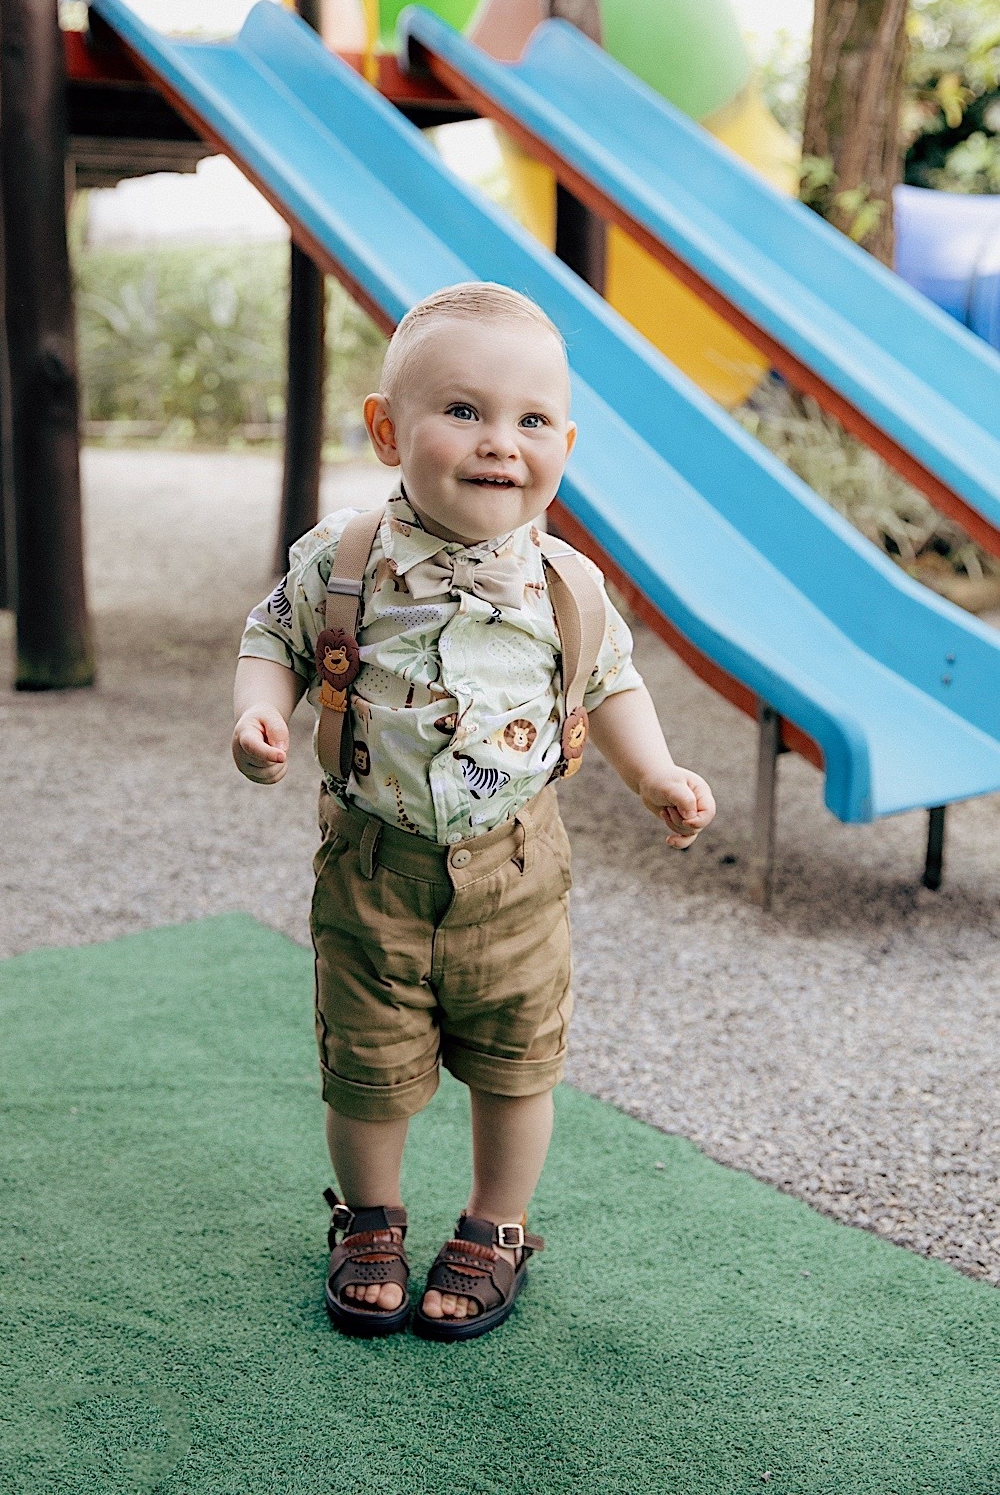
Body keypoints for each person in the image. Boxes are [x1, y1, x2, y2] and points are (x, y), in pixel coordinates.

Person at [232, 282, 715, 1341]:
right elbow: (270, 637)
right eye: (462, 411)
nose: (500, 442)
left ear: (564, 442)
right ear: (385, 427)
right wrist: (260, 717)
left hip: (515, 868)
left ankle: (497, 1224)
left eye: (530, 421)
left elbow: (610, 686)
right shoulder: (344, 558)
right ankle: (368, 1217)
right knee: (365, 1064)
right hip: (372, 864)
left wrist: (654, 773)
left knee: (515, 1059)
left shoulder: (565, 585)